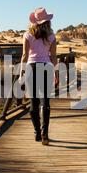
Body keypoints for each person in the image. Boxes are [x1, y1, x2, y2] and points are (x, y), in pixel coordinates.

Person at [20, 8, 58, 146]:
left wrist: (21, 73)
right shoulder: (52, 36)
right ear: (47, 21)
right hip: (47, 67)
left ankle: (36, 132)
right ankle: (45, 134)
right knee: (45, 102)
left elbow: (25, 55)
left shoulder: (27, 35)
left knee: (33, 102)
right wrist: (56, 73)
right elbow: (53, 57)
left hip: (31, 67)